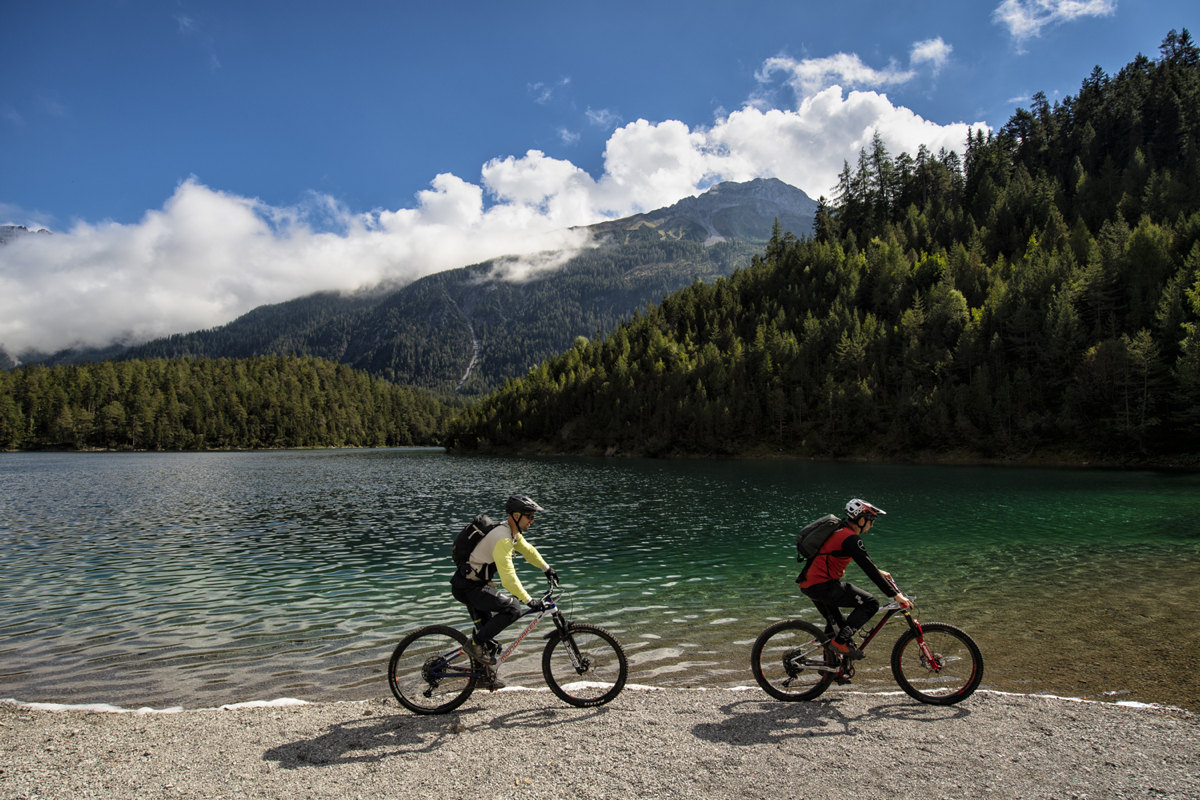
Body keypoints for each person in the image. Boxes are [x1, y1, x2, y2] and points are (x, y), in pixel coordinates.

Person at [450, 494, 559, 686]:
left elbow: (528, 550)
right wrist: (528, 600)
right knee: (513, 609)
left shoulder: (511, 532)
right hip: (469, 587)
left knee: (489, 639)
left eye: (533, 517)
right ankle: (474, 645)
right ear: (516, 516)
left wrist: (547, 569)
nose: (532, 521)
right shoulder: (503, 539)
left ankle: (483, 678)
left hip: (475, 584)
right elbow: (508, 577)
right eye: (529, 516)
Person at [798, 498, 912, 659]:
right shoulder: (851, 538)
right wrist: (896, 595)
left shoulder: (840, 531)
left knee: (836, 627)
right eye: (871, 521)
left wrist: (878, 571)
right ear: (861, 519)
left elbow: (859, 560)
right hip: (822, 585)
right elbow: (868, 568)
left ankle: (830, 670)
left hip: (810, 583)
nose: (871, 525)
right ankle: (840, 644)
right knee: (870, 603)